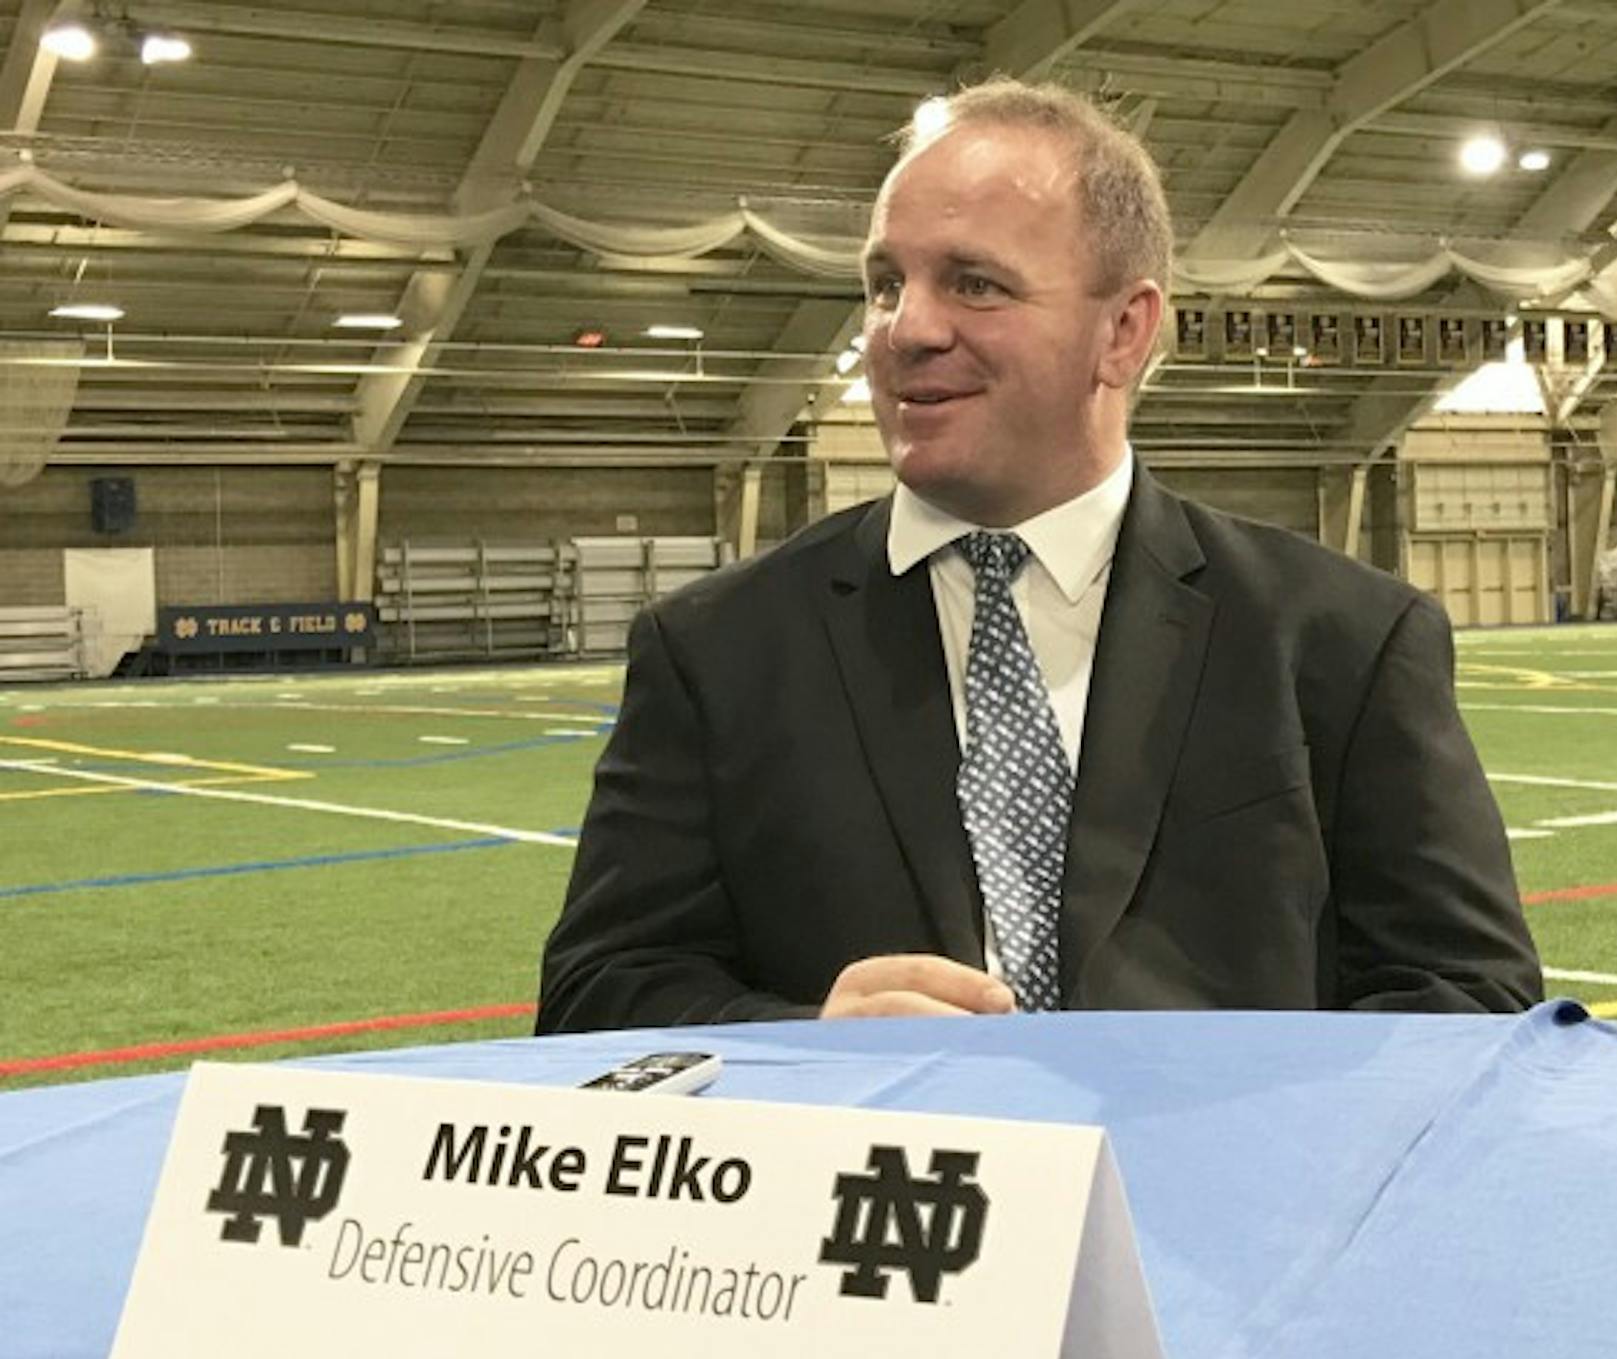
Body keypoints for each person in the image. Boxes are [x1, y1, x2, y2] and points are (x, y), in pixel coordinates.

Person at [537, 77, 1541, 1030]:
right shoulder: (717, 648)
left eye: (973, 284)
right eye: (885, 283)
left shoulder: (1340, 639)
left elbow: (1470, 999)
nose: (904, 329)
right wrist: (807, 1039)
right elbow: (597, 996)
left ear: (1122, 331)